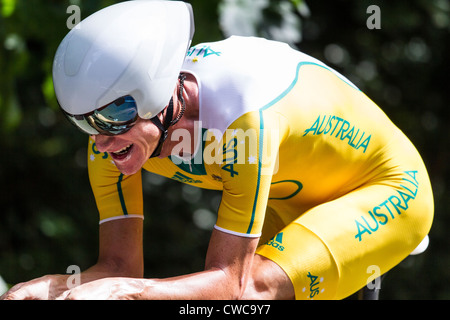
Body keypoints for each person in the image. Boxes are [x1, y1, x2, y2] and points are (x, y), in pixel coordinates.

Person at [1, 0, 433, 300]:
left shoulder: (242, 122)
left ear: (155, 97)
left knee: (252, 294)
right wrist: (56, 285)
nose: (100, 141)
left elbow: (232, 284)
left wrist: (127, 291)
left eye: (110, 118)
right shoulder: (112, 141)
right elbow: (118, 268)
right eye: (82, 121)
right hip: (289, 195)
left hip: (387, 188)